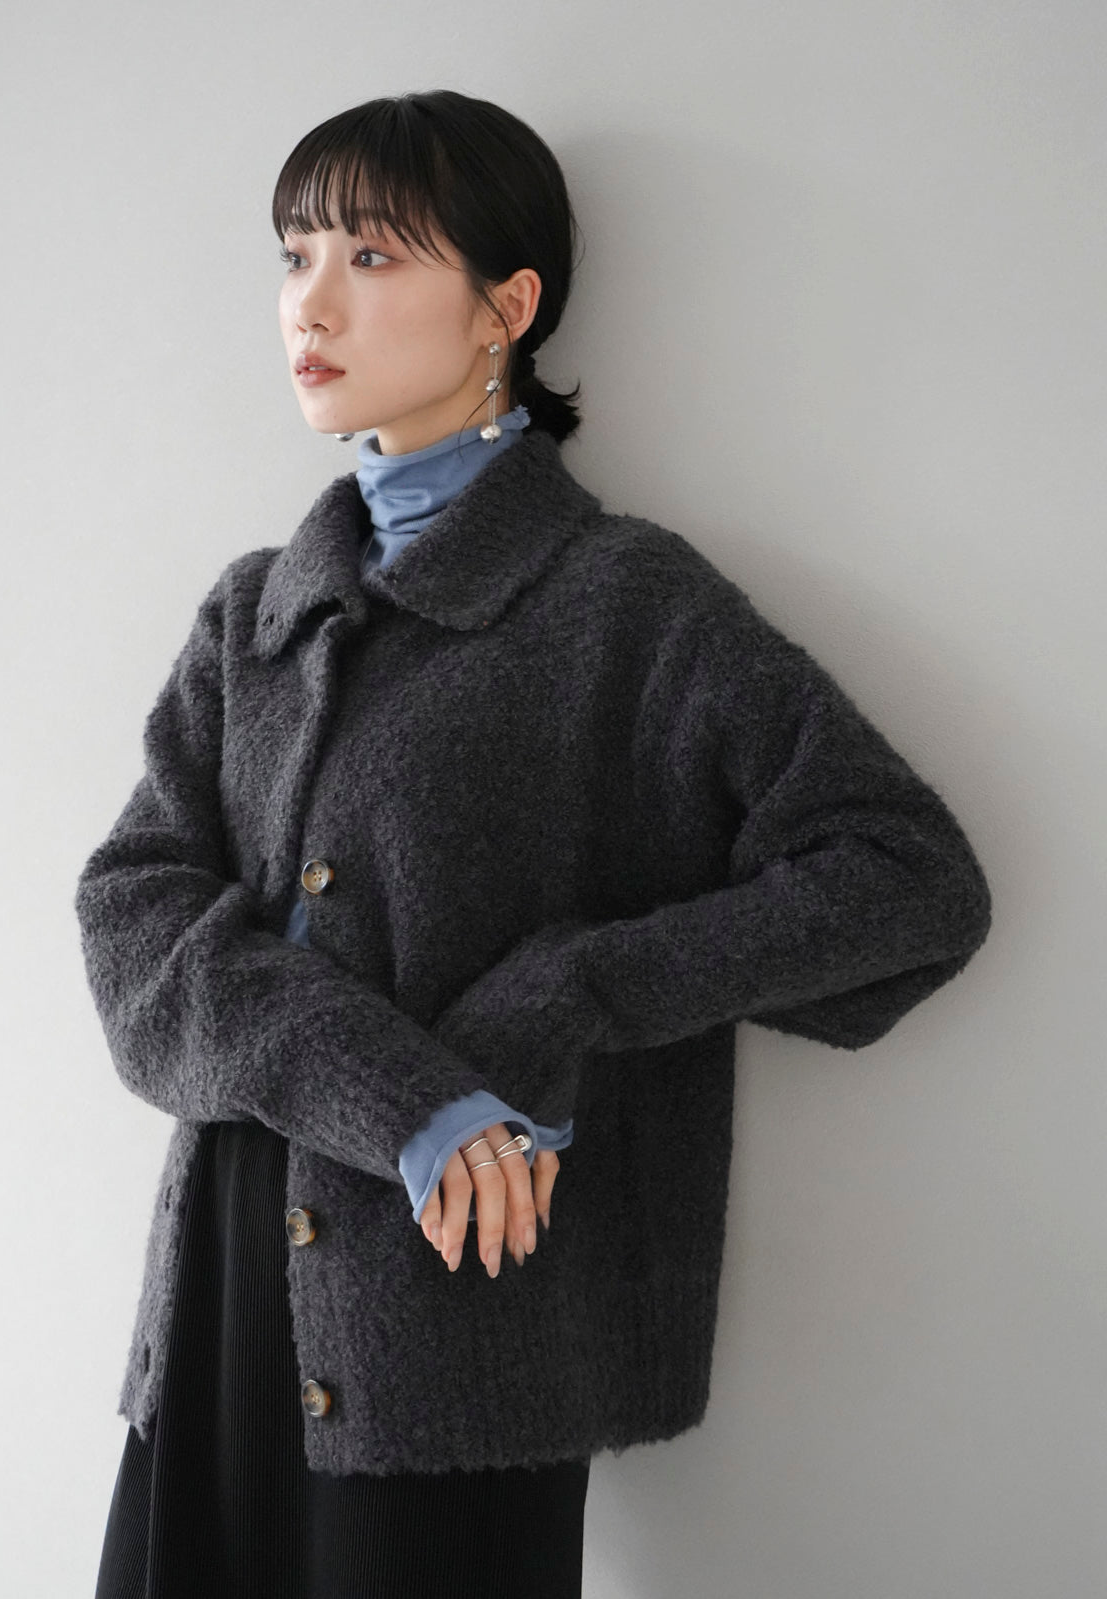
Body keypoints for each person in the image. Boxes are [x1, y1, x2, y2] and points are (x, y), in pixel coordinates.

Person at [77, 89, 993, 1599]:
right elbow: (133, 920)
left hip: (455, 1330)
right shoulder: (254, 613)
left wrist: (570, 992)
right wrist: (401, 1095)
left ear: (508, 307)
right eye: (295, 255)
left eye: (372, 256)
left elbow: (906, 881)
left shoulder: (623, 606)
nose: (310, 302)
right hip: (226, 1295)